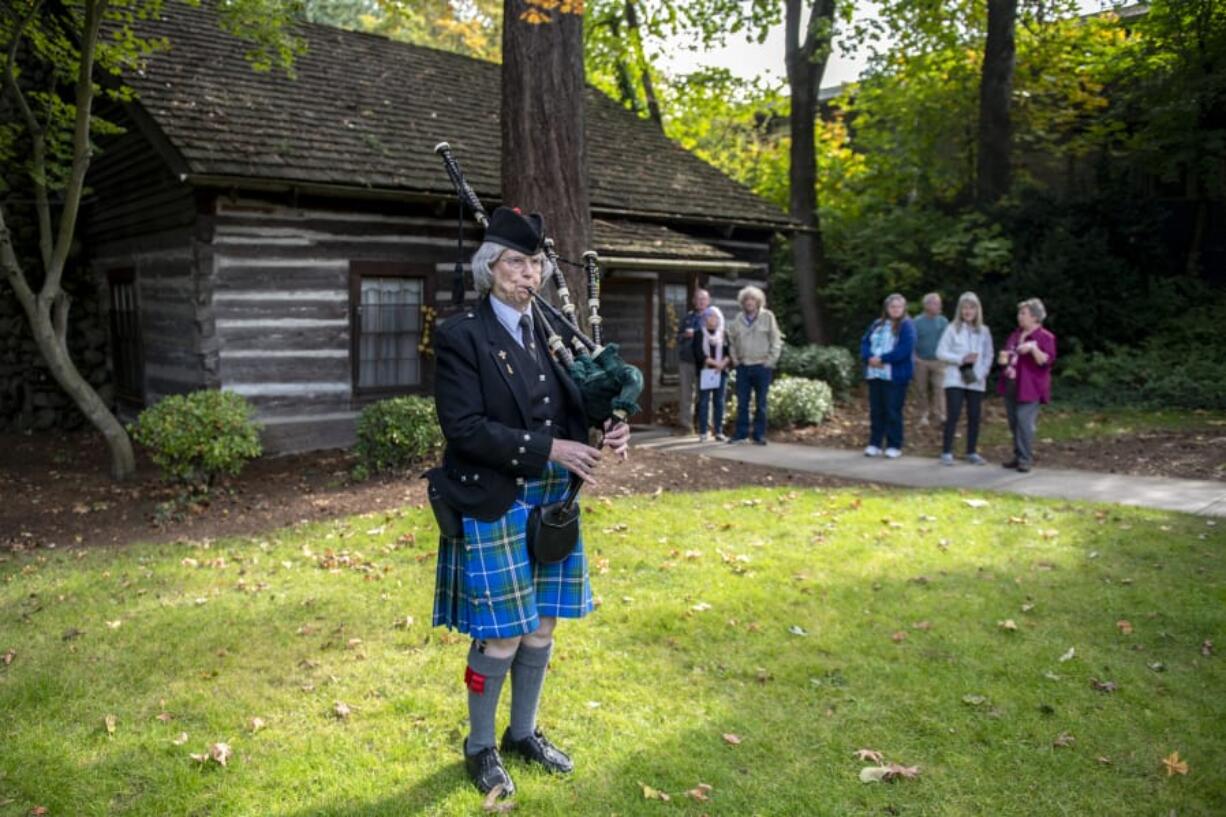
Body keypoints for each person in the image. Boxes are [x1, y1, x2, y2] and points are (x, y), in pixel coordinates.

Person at [428, 206, 631, 800]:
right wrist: (553, 447)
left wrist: (612, 426)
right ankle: (480, 746)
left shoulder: (555, 332)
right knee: (502, 635)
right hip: (495, 497)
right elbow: (463, 428)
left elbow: (588, 400)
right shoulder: (462, 335)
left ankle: (523, 734)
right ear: (491, 268)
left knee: (541, 627)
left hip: (552, 500)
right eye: (517, 262)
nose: (530, 274)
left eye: (537, 263)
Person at [997, 297, 1056, 473]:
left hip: (1030, 387)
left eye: (1023, 313)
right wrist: (1004, 358)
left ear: (1035, 317)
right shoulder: (1015, 334)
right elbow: (1008, 354)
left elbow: (1046, 361)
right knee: (1014, 422)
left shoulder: (1045, 337)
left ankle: (1025, 458)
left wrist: (1032, 349)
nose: (1019, 316)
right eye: (1019, 313)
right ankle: (1018, 455)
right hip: (1011, 383)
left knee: (1024, 422)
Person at [935, 292, 993, 465]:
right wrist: (960, 359)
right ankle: (946, 452)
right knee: (953, 414)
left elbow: (988, 355)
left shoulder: (984, 331)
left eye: (972, 307)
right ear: (960, 310)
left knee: (974, 415)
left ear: (977, 310)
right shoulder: (952, 328)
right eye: (965, 308)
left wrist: (980, 373)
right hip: (955, 378)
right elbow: (940, 352)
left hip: (976, 380)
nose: (968, 311)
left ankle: (971, 452)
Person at [860, 293, 916, 459]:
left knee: (893, 411)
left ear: (904, 308)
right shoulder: (877, 324)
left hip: (894, 376)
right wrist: (868, 356)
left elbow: (905, 349)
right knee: (876, 410)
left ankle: (894, 445)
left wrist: (883, 359)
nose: (895, 309)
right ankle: (875, 443)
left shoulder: (907, 326)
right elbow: (865, 341)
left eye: (899, 306)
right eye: (892, 306)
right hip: (875, 374)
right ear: (887, 308)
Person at [726, 285, 784, 445]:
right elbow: (731, 341)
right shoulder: (738, 319)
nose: (749, 303)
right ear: (742, 303)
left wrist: (771, 361)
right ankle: (741, 434)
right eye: (746, 300)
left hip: (762, 366)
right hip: (743, 366)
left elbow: (776, 340)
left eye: (752, 300)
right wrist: (735, 360)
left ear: (758, 302)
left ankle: (759, 435)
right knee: (742, 403)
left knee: (761, 403)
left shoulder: (768, 317)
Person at [691, 306, 730, 441]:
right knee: (704, 402)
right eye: (709, 316)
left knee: (719, 402)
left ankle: (719, 431)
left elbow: (730, 352)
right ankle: (703, 432)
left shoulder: (724, 334)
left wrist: (722, 364)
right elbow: (698, 354)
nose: (712, 319)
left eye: (715, 316)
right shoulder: (699, 333)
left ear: (719, 319)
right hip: (705, 372)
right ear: (704, 318)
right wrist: (715, 364)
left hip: (722, 372)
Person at [676, 288, 710, 434]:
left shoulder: (712, 317)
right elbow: (677, 338)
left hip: (705, 362)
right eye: (698, 299)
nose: (701, 301)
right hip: (686, 361)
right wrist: (685, 335)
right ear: (694, 301)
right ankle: (686, 426)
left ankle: (706, 426)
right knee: (685, 395)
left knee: (705, 395)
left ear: (708, 301)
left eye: (703, 299)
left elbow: (719, 337)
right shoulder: (687, 318)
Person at [912, 292, 949, 427]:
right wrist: (914, 357)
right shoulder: (917, 321)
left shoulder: (943, 321)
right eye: (935, 303)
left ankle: (940, 414)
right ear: (926, 305)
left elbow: (948, 341)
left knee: (940, 388)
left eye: (939, 303)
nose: (939, 305)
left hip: (939, 361)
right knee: (921, 389)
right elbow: (911, 341)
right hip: (921, 360)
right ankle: (923, 414)